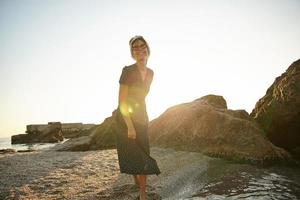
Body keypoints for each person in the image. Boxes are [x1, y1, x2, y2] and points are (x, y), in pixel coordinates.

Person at [115, 35, 160, 200]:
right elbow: (122, 101)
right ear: (132, 53)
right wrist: (130, 125)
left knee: (143, 151)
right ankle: (137, 183)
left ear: (147, 49)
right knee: (131, 151)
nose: (140, 49)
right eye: (135, 47)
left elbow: (142, 96)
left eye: (142, 46)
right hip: (125, 116)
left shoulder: (151, 73)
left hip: (141, 115)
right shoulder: (127, 71)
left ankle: (142, 193)